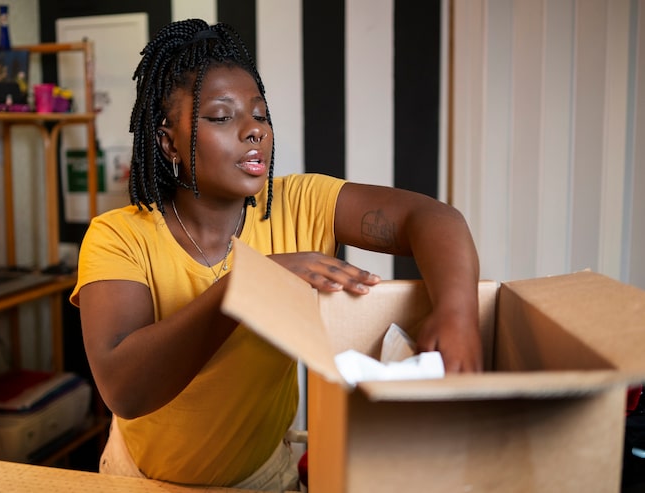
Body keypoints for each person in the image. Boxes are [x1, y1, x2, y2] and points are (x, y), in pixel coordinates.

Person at [70, 18, 482, 490]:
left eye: (260, 115)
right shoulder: (118, 237)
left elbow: (431, 218)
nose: (254, 132)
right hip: (137, 479)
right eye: (222, 117)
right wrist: (247, 287)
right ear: (168, 142)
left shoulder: (300, 203)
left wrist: (457, 312)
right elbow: (126, 389)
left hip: (264, 479)